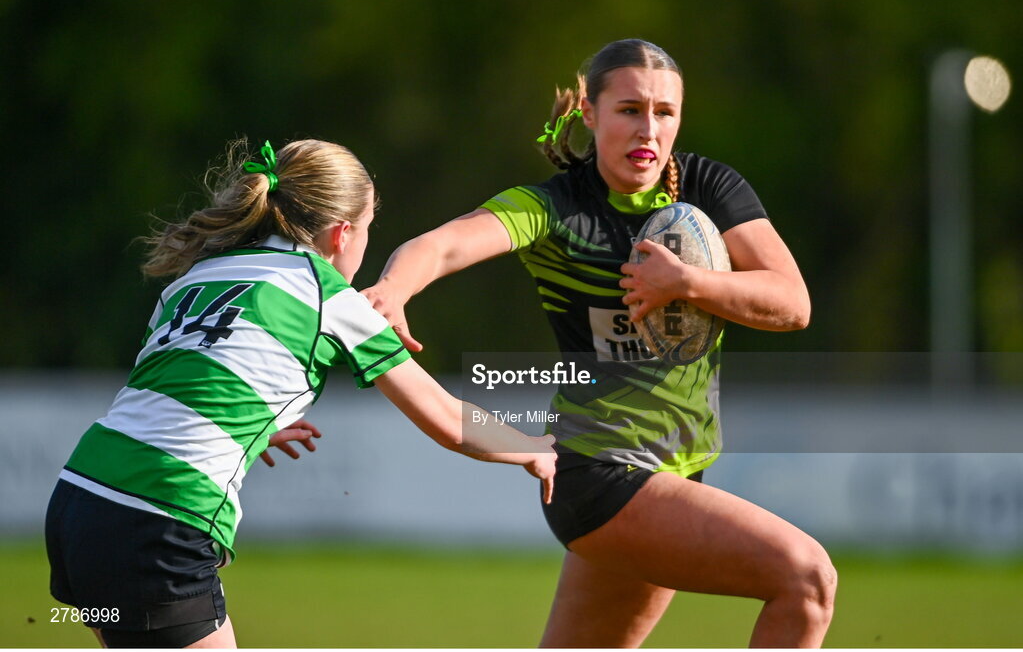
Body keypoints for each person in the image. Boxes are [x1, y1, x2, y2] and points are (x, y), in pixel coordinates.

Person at [364, 39, 836, 647]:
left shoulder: (709, 190)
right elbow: (445, 244)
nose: (649, 128)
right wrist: (394, 289)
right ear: (589, 112)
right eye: (630, 109)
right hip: (597, 475)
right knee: (806, 578)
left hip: (672, 475)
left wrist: (686, 282)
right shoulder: (555, 209)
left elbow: (792, 305)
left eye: (664, 112)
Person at [44, 138, 557, 649]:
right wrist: (534, 450)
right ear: (342, 233)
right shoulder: (325, 293)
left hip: (78, 505)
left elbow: (174, 385)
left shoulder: (201, 275)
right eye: (369, 231)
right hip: (159, 520)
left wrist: (253, 425)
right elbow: (446, 419)